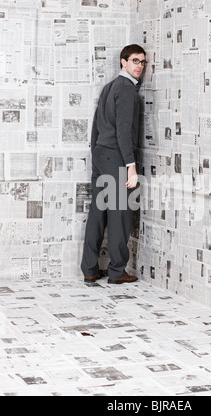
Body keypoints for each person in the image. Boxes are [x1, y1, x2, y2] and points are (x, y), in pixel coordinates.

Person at [81, 44, 147, 285]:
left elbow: (96, 127)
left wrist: (96, 155)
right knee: (120, 215)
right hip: (116, 157)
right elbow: (123, 133)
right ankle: (117, 272)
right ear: (123, 62)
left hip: (100, 154)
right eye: (135, 61)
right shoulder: (127, 90)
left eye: (142, 62)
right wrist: (131, 165)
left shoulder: (109, 87)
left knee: (98, 213)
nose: (139, 66)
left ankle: (89, 269)